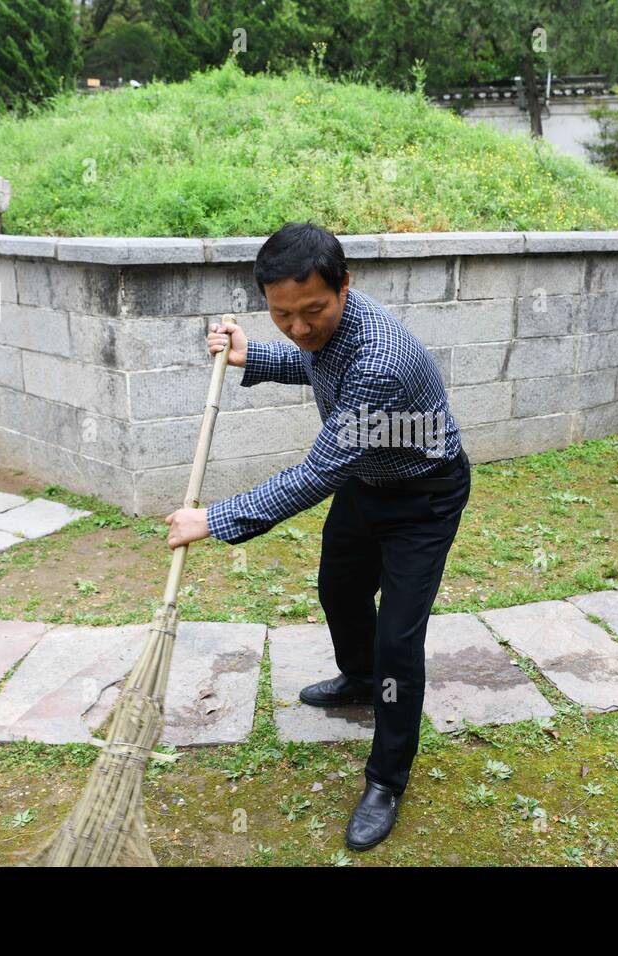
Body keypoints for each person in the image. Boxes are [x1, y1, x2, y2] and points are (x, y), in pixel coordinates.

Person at [164, 221, 471, 851]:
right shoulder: (327, 331)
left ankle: (386, 780)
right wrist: (254, 353)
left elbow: (316, 473)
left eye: (312, 311)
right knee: (339, 588)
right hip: (368, 481)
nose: (299, 326)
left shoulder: (382, 360)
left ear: (344, 287)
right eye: (282, 314)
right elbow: (314, 361)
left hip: (423, 496)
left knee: (398, 639)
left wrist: (213, 520)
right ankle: (359, 679)